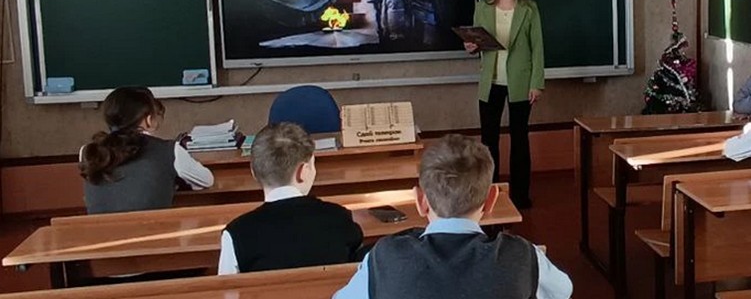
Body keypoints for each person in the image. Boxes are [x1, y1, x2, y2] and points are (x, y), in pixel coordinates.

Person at [332, 134, 572, 299]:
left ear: (421, 201)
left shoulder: (384, 258)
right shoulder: (523, 256)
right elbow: (563, 290)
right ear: (491, 199)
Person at [218, 123, 363, 274]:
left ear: (253, 172)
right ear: (303, 172)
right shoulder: (340, 217)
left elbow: (226, 285)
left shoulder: (236, 233)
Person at [464, 0, 544, 209]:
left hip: (520, 82)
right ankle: (491, 195)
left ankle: (520, 196)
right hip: (491, 82)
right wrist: (471, 47)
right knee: (489, 141)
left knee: (520, 139)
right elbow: (476, 43)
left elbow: (537, 47)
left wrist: (537, 83)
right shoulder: (483, 7)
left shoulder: (529, 9)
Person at [80, 87, 213, 214]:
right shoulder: (169, 150)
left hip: (98, 230)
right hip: (153, 228)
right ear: (148, 120)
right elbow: (207, 180)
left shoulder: (87, 152)